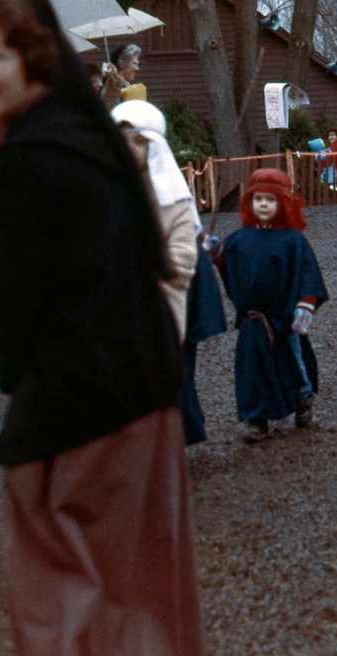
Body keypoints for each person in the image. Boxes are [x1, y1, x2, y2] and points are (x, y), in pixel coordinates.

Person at [0, 0, 202, 655]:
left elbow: (17, 312)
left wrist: (16, 383)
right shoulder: (90, 133)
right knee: (142, 594)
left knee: (68, 605)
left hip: (79, 416)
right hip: (145, 395)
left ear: (32, 57)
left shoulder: (28, 158)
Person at [112, 99, 223, 446]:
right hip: (123, 294)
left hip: (172, 287)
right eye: (121, 141)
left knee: (173, 365)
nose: (129, 148)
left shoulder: (170, 192)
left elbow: (182, 253)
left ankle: (176, 438)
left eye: (138, 141)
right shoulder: (109, 190)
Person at [219, 169, 327, 442]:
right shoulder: (239, 239)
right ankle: (256, 419)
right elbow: (226, 260)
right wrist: (214, 252)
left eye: (270, 199)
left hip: (283, 318)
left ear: (283, 203)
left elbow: (308, 274)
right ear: (250, 202)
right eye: (258, 199)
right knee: (252, 369)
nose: (263, 205)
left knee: (291, 363)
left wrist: (305, 305)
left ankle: (303, 397)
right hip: (252, 319)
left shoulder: (293, 241)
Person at [101, 42, 143, 107]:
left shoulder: (125, 86)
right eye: (134, 63)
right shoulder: (113, 88)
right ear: (122, 64)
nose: (137, 69)